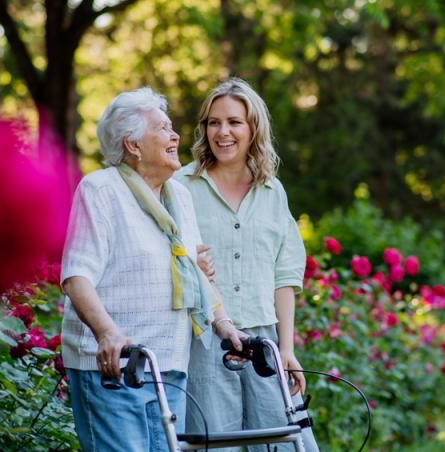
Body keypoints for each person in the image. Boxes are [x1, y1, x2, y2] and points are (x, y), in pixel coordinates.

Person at [60, 87, 244, 452]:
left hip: (169, 365)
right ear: (133, 144)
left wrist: (225, 326)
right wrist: (107, 333)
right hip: (115, 367)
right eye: (162, 128)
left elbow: (193, 272)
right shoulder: (101, 190)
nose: (175, 135)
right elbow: (76, 276)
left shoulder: (180, 197)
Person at [175, 78, 319, 452]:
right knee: (215, 445)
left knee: (283, 443)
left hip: (264, 344)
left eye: (234, 122)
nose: (222, 132)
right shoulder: (180, 187)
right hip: (203, 343)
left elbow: (284, 276)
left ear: (254, 127)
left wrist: (286, 349)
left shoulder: (273, 191)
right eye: (213, 122)